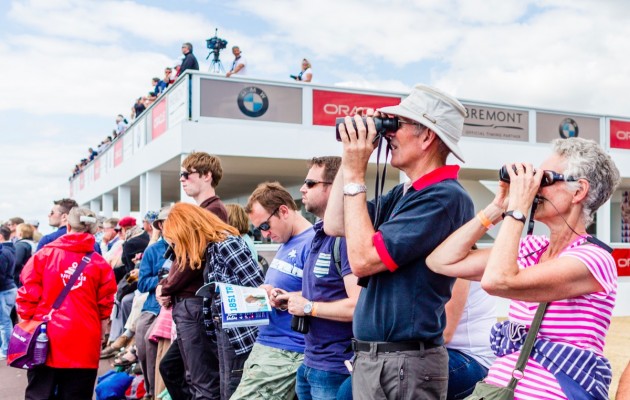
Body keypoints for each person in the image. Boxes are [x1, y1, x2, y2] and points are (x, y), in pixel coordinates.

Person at [426, 137, 620, 399]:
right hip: (498, 390)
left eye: (546, 179)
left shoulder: (594, 259)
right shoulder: (533, 248)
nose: (535, 187)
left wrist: (517, 210)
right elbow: (440, 261)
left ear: (578, 191)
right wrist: (498, 208)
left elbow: (497, 281)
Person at [324, 84, 473, 399]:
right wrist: (349, 155)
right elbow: (335, 223)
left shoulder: (444, 196)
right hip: (381, 359)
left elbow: (364, 259)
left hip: (405, 363)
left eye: (396, 125)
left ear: (426, 136)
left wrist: (355, 173)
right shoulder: (405, 194)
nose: (388, 133)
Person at [278, 156, 361, 400]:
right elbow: (323, 294)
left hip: (335, 366)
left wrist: (308, 307)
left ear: (333, 188)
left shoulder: (345, 237)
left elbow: (358, 305)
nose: (302, 189)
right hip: (310, 361)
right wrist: (289, 298)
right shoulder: (318, 234)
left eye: (310, 183)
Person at [166, 202, 265, 399]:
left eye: (177, 241)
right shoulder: (213, 248)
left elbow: (259, 289)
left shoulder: (227, 244)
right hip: (227, 333)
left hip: (239, 336)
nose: (178, 247)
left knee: (230, 390)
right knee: (224, 388)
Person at [18, 207, 117, 399]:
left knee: (39, 393)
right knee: (76, 394)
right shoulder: (99, 264)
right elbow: (105, 307)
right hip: (84, 337)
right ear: (94, 229)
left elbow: (27, 297)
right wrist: (100, 338)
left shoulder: (43, 256)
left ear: (68, 225)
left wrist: (26, 326)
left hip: (45, 337)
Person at [231, 182, 314, 400]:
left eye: (265, 226)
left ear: (284, 211)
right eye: (258, 229)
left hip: (286, 350)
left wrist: (286, 297)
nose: (265, 234)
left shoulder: (312, 242)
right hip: (270, 345)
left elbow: (327, 295)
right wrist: (267, 290)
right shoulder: (288, 240)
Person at [157, 151, 229, 399]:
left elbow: (192, 261)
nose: (182, 179)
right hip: (189, 304)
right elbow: (185, 258)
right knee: (173, 369)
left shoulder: (213, 211)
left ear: (207, 176)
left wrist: (166, 288)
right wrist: (167, 287)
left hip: (195, 305)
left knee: (202, 383)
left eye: (187, 174)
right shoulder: (205, 210)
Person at [136, 207, 170, 400]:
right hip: (152, 307)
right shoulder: (153, 250)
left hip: (173, 309)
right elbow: (141, 283)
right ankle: (150, 390)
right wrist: (161, 281)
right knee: (141, 346)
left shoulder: (185, 247)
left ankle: (156, 393)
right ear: (160, 226)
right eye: (165, 223)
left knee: (152, 342)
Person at [444, 279, 496, 400]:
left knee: (403, 372)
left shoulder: (455, 265)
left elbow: (444, 333)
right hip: (440, 350)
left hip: (472, 358)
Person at [0, 230, 16, 360]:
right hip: (9, 288)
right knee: (6, 321)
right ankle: (6, 348)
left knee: (4, 322)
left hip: (4, 290)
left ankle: (6, 350)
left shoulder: (3, 252)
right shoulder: (10, 250)